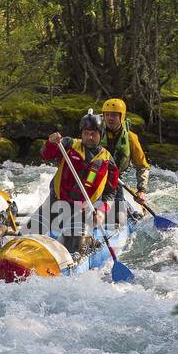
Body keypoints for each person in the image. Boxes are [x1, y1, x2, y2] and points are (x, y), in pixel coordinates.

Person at [40, 112, 119, 255]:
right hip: (56, 203)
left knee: (76, 247)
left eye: (93, 134)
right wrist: (51, 142)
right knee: (29, 233)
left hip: (83, 210)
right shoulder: (68, 145)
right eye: (86, 133)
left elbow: (110, 192)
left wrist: (101, 211)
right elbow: (46, 154)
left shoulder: (108, 161)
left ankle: (90, 242)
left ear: (101, 135)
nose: (89, 137)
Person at [99, 98, 150, 225]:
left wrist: (141, 190)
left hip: (114, 182)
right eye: (107, 115)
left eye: (114, 115)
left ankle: (127, 213)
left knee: (118, 220)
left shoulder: (131, 138)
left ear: (122, 117)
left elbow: (142, 166)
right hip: (94, 178)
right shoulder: (94, 133)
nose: (110, 118)